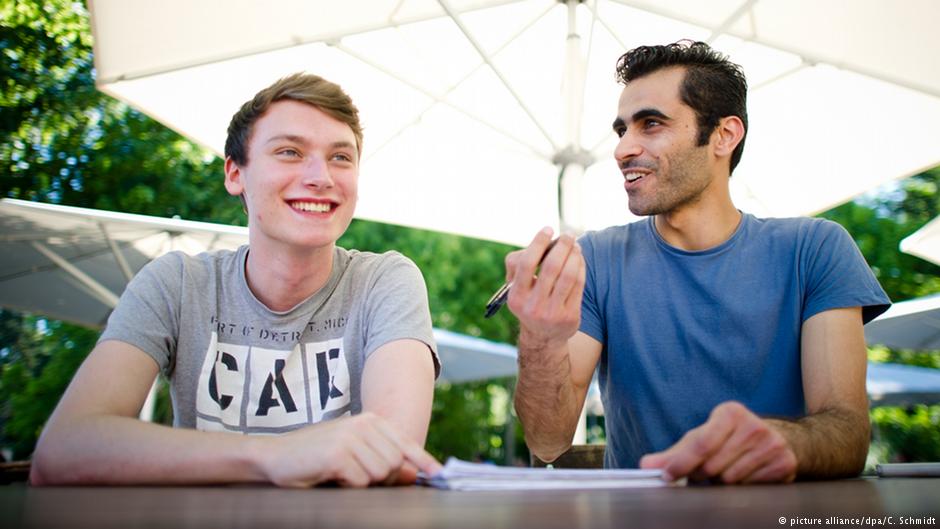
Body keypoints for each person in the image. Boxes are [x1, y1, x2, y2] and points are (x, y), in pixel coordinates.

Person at [30, 73, 442, 487]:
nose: (322, 176)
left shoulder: (385, 281)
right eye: (290, 152)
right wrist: (274, 456)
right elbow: (61, 450)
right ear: (234, 174)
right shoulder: (178, 285)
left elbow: (397, 455)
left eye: (341, 157)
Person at [505, 41, 890, 484]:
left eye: (651, 124)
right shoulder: (595, 259)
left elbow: (847, 432)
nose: (622, 149)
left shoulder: (814, 249)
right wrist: (540, 339)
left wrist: (782, 441)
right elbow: (547, 441)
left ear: (724, 135)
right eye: (621, 130)